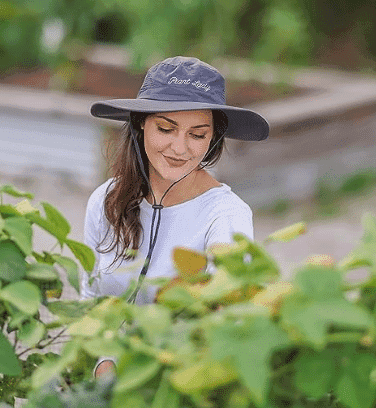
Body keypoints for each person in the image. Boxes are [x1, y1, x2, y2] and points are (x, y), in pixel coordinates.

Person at [81, 56, 269, 377]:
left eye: (197, 135)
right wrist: (105, 365)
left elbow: (224, 322)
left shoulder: (226, 216)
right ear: (141, 123)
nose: (179, 148)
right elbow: (90, 300)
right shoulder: (105, 200)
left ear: (213, 139)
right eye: (166, 128)